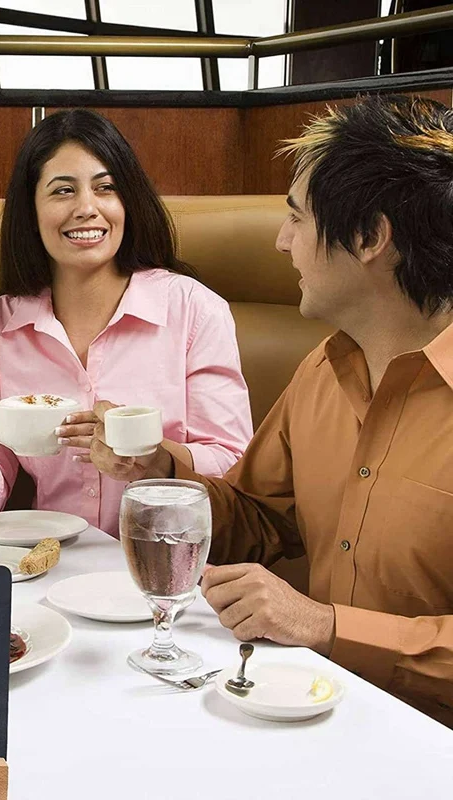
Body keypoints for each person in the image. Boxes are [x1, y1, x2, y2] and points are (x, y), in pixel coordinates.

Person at [93, 95, 453, 726]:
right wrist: (161, 473)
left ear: (371, 237)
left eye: (297, 219)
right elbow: (259, 518)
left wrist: (326, 626)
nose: (282, 241)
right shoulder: (322, 368)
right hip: (305, 708)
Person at [0, 109, 252, 536]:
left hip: (168, 561)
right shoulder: (1, 324)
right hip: (50, 565)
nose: (87, 208)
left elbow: (232, 464)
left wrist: (148, 455)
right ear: (31, 211)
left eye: (106, 188)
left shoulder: (194, 309)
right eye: (63, 191)